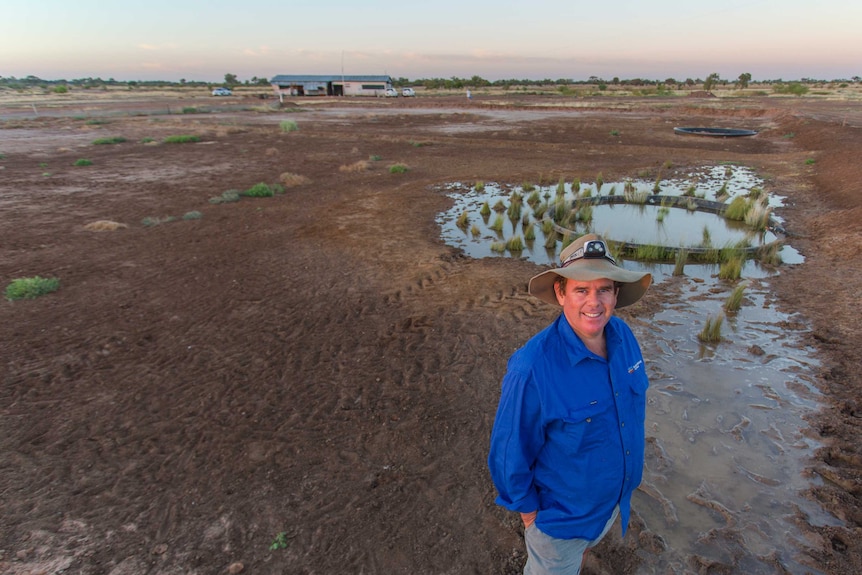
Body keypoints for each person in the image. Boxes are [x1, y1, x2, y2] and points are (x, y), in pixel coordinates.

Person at [488, 233, 652, 574]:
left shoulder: (624, 338)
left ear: (616, 293)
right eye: (582, 289)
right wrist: (532, 518)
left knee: (580, 558)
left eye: (603, 289)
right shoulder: (531, 368)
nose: (594, 302)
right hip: (560, 524)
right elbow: (508, 456)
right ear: (561, 293)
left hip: (609, 509)